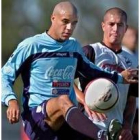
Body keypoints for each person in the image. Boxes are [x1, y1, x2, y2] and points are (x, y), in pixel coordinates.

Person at [1, 2, 137, 140]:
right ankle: (103, 137)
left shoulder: (73, 47)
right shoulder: (31, 46)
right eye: (65, 21)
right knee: (63, 101)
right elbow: (4, 76)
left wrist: (120, 78)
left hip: (65, 121)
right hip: (38, 118)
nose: (69, 28)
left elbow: (93, 71)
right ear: (53, 18)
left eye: (74, 23)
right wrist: (11, 100)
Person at [74, 7, 138, 140]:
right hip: (89, 127)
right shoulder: (89, 51)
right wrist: (85, 101)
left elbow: (131, 99)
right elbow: (67, 82)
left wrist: (127, 126)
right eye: (111, 24)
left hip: (116, 131)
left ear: (125, 29)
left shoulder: (133, 61)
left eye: (120, 25)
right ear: (103, 26)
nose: (115, 29)